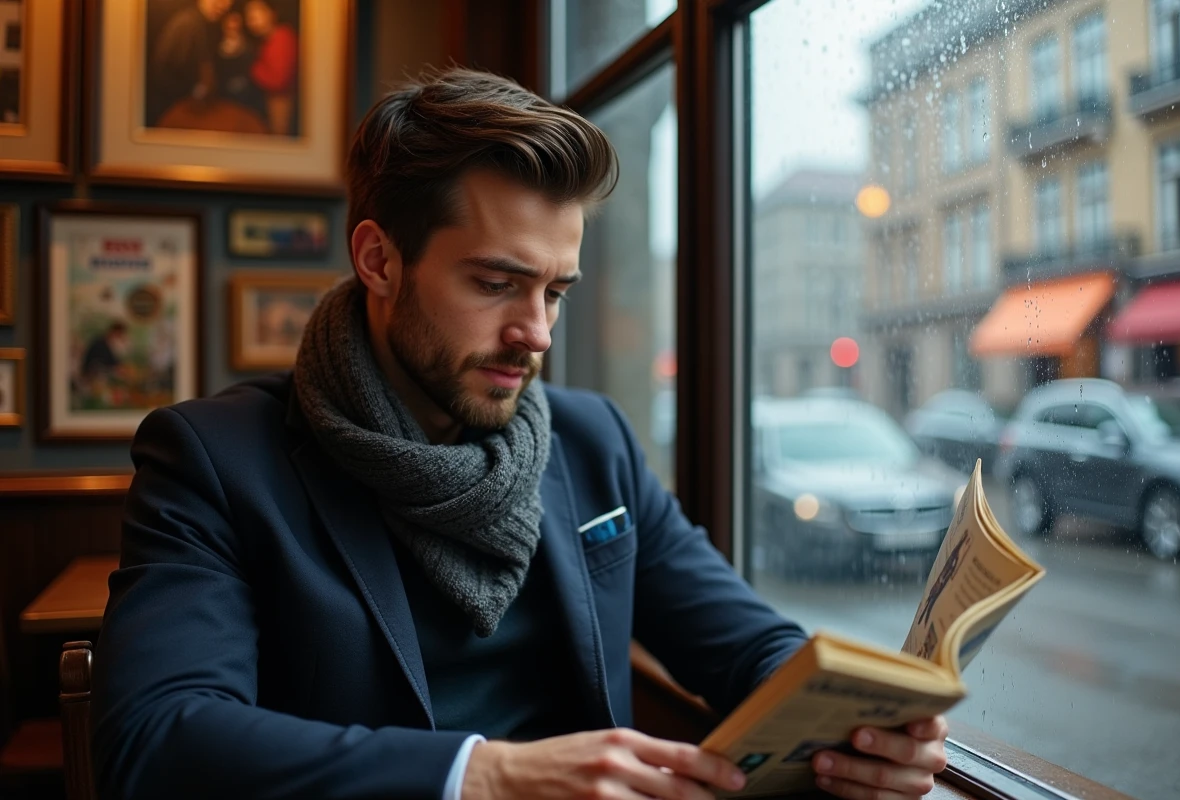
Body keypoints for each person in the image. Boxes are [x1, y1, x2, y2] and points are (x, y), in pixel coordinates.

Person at [92, 68, 949, 800]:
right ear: (379, 260)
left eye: (555, 292)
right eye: (496, 283)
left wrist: (861, 727)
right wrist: (487, 776)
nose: (535, 332)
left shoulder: (593, 440)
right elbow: (155, 739)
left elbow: (746, 641)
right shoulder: (213, 458)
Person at [149, 0, 233, 126]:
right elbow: (167, 69)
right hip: (172, 108)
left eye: (227, 3)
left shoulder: (203, 24)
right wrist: (196, 90)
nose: (223, 5)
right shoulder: (187, 23)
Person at [244, 0, 298, 136]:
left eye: (258, 10)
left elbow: (278, 81)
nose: (252, 17)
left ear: (272, 14)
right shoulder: (267, 41)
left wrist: (252, 68)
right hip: (272, 102)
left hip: (281, 102)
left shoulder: (282, 37)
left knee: (279, 136)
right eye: (248, 13)